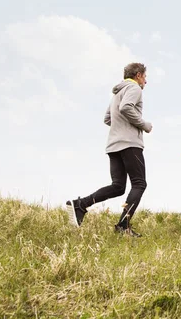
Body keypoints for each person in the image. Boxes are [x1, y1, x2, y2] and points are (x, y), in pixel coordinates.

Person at [66, 63, 153, 237]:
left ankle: (80, 204)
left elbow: (108, 119)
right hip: (129, 144)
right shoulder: (134, 89)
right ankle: (123, 225)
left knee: (118, 186)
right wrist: (144, 125)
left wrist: (121, 126)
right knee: (139, 184)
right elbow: (126, 107)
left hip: (113, 145)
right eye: (144, 76)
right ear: (137, 75)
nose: (146, 81)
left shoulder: (117, 93)